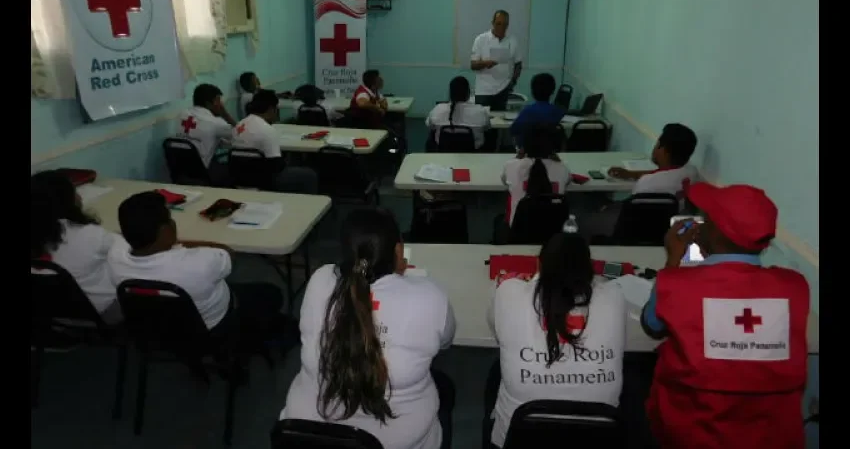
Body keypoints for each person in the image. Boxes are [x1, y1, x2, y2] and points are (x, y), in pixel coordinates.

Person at [641, 183, 809, 448]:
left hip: (690, 432)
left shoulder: (677, 284)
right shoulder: (795, 287)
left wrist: (673, 259)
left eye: (706, 218)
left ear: (716, 233)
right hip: (774, 436)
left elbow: (651, 325)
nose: (702, 222)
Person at [280, 208, 457, 449]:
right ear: (397, 250)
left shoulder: (320, 280)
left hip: (308, 436)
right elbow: (445, 342)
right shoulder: (429, 296)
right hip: (399, 442)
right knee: (445, 386)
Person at [483, 232, 625, 449]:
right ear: (589, 267)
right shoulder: (614, 295)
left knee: (496, 371)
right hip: (596, 438)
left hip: (520, 439)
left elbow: (497, 332)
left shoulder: (508, 292)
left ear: (539, 265)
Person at [108, 192, 286, 353]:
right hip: (213, 329)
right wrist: (177, 243)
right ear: (164, 231)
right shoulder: (199, 263)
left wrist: (170, 243)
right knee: (271, 293)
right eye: (170, 219)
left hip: (157, 328)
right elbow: (228, 253)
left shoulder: (115, 258)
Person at [31, 170, 126, 325]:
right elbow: (134, 252)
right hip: (98, 315)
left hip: (50, 315)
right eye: (75, 192)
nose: (80, 197)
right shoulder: (90, 234)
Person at [576, 123, 699, 240]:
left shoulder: (647, 183)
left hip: (635, 227)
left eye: (657, 143)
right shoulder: (692, 173)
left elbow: (631, 209)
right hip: (667, 229)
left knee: (581, 220)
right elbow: (665, 176)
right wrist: (631, 174)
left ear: (664, 150)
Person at [232, 89, 319, 194]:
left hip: (240, 177)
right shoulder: (267, 130)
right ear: (271, 109)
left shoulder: (239, 125)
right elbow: (276, 166)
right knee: (310, 174)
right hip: (264, 179)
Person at [500, 124, 571, 227]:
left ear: (524, 146)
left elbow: (504, 181)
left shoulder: (511, 165)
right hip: (552, 235)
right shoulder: (562, 168)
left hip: (518, 234)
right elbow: (568, 181)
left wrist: (518, 158)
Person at [176, 84, 236, 184]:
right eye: (218, 100)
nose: (221, 104)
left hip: (182, 170)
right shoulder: (216, 123)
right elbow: (241, 134)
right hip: (204, 171)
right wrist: (225, 114)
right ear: (208, 104)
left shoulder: (182, 114)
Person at [471, 10, 523, 111]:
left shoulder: (513, 41)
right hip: (484, 90)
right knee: (482, 121)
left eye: (505, 24)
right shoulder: (481, 39)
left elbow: (518, 64)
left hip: (503, 90)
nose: (501, 27)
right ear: (492, 23)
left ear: (508, 25)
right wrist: (486, 63)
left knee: (500, 122)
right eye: (498, 23)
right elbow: (473, 65)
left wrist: (513, 82)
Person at [426, 76, 491, 150]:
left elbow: (430, 125)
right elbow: (487, 128)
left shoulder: (438, 109)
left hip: (443, 153)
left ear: (450, 93)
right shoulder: (480, 111)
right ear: (468, 93)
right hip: (474, 155)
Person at [509, 73, 564, 148]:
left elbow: (513, 130)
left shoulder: (527, 111)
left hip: (527, 151)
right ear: (553, 91)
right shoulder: (558, 111)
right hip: (549, 150)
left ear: (532, 91)